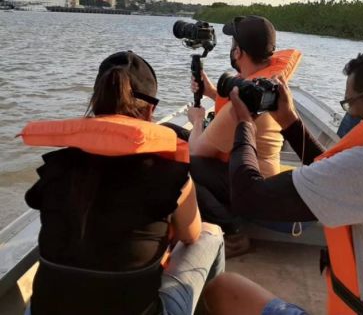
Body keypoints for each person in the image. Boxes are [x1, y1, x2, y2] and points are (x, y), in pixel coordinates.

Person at [203, 43, 363, 314]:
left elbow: (248, 197)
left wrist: (245, 125)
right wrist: (289, 122)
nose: (348, 113)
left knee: (220, 290)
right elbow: (334, 168)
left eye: (350, 103)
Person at [21, 51, 224, 315]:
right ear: (150, 109)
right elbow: (190, 236)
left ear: (97, 102)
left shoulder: (53, 169)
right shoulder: (170, 175)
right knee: (211, 234)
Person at [187, 16, 301, 256]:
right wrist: (210, 92)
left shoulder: (243, 105)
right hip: (264, 175)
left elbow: (196, 151)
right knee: (175, 135)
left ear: (238, 52)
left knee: (185, 165)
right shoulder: (269, 87)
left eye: (232, 45)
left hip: (254, 190)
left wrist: (197, 120)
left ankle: (233, 233)